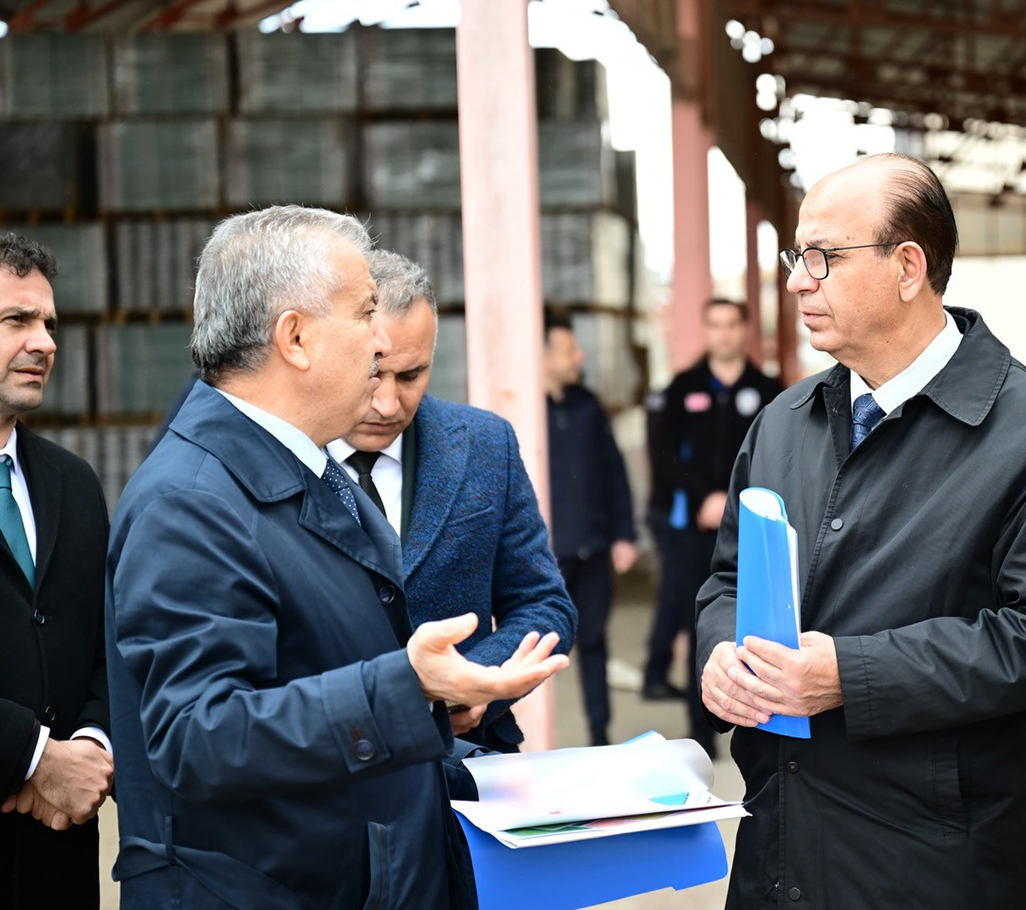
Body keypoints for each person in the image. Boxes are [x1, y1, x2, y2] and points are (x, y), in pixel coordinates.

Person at [104, 205, 568, 908]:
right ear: (295, 338)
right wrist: (408, 688)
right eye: (365, 312)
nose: (381, 343)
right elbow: (200, 736)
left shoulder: (299, 467)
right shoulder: (189, 501)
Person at [695, 153, 1026, 908]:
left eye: (823, 256)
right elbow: (727, 579)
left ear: (908, 267)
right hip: (778, 849)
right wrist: (722, 652)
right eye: (797, 257)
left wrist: (850, 675)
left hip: (931, 863)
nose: (797, 281)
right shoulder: (784, 422)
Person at [327, 249, 576, 753]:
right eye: (372, 373)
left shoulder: (486, 444)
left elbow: (544, 604)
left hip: (467, 763)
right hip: (329, 768)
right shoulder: (275, 454)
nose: (387, 404)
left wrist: (475, 682)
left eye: (411, 376)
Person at [0, 234, 113, 907]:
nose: (44, 342)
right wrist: (34, 757)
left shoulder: (74, 483)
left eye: (48, 323)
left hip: (59, 863)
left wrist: (91, 749)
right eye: (17, 320)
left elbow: (108, 644)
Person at [645, 299, 782, 754]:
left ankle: (758, 719)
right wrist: (705, 497)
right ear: (706, 330)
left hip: (753, 530)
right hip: (694, 532)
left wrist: (740, 504)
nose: (723, 334)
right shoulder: (683, 387)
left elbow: (783, 455)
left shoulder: (769, 389)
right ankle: (701, 727)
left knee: (755, 624)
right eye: (715, 325)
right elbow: (663, 455)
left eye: (731, 325)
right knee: (698, 622)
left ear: (745, 330)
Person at [543, 313, 636, 746]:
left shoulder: (589, 406)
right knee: (539, 649)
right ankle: (532, 741)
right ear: (543, 356)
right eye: (569, 350)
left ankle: (600, 733)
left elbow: (614, 473)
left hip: (594, 547)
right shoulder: (524, 411)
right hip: (547, 555)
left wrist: (624, 534)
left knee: (595, 641)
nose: (579, 357)